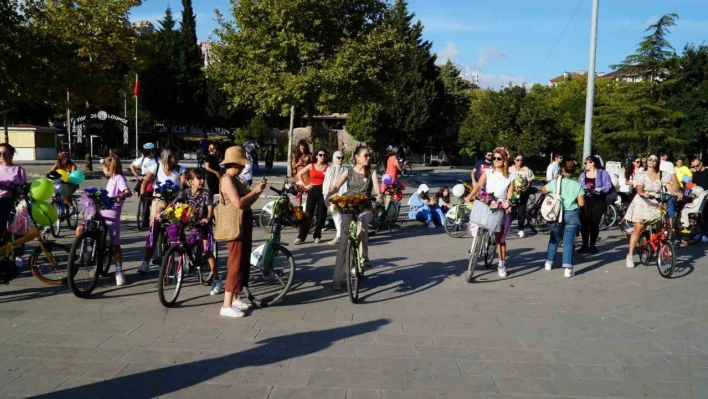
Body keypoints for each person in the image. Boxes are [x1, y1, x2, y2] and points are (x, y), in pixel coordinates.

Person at [219, 146, 267, 317]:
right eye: (241, 164)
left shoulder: (235, 178)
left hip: (242, 223)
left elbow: (247, 201)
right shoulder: (227, 179)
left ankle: (234, 298)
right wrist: (254, 191)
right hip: (234, 225)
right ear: (235, 163)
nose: (243, 167)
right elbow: (238, 203)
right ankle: (226, 305)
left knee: (242, 261)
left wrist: (257, 191)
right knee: (235, 262)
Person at [327, 145, 382, 289]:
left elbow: (376, 186)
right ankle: (338, 279)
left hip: (365, 207)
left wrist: (379, 195)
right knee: (343, 242)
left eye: (369, 156)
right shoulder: (348, 172)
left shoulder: (371, 171)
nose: (368, 158)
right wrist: (329, 194)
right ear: (357, 158)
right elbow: (336, 186)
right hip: (349, 206)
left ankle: (364, 256)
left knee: (362, 221)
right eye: (366, 155)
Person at [77, 156, 131, 285]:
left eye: (103, 167)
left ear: (108, 167)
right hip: (101, 211)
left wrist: (120, 196)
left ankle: (119, 271)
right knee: (81, 228)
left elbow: (128, 192)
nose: (103, 170)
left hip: (112, 214)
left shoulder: (118, 178)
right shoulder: (111, 179)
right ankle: (84, 253)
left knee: (115, 244)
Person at [626, 154, 681, 267]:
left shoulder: (662, 174)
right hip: (642, 202)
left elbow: (668, 186)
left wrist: (676, 193)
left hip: (656, 202)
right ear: (646, 161)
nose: (652, 161)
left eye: (655, 160)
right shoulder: (641, 174)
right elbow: (639, 188)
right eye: (650, 159)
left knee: (662, 224)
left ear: (657, 162)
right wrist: (642, 193)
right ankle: (630, 255)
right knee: (638, 229)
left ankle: (659, 246)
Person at [468, 147, 515, 278]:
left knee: (500, 239)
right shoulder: (488, 172)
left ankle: (501, 264)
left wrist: (508, 203)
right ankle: (476, 248)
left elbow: (510, 194)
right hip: (486, 202)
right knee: (479, 223)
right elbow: (478, 186)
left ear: (505, 160)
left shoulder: (510, 177)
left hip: (500, 206)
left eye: (498, 158)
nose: (495, 160)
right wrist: (470, 196)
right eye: (494, 158)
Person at [138, 147, 187, 273]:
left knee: (175, 229)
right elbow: (146, 181)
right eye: (175, 157)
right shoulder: (157, 167)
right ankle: (145, 262)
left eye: (178, 157)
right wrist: (143, 194)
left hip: (174, 200)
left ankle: (179, 258)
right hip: (158, 198)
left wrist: (183, 186)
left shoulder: (180, 169)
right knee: (153, 229)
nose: (177, 160)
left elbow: (183, 181)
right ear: (167, 157)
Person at [172, 168, 221, 295]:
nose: (202, 181)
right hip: (188, 224)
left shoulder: (206, 193)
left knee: (207, 250)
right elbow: (173, 204)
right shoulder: (184, 193)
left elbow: (210, 209)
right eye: (199, 178)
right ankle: (185, 262)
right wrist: (163, 213)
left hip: (203, 224)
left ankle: (216, 279)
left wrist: (208, 218)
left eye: (203, 178)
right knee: (177, 239)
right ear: (190, 181)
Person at [542, 158, 585, 278]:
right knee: (569, 242)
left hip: (555, 214)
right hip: (571, 214)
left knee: (554, 238)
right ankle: (567, 268)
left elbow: (543, 190)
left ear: (562, 169)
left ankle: (548, 263)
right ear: (574, 170)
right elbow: (581, 204)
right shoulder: (577, 185)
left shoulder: (555, 182)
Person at [577, 155, 612, 254]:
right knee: (584, 223)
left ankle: (592, 245)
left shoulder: (603, 173)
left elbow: (608, 185)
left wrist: (600, 189)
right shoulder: (583, 175)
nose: (584, 165)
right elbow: (578, 186)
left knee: (594, 223)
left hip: (599, 200)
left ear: (592, 163)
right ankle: (584, 245)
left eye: (586, 163)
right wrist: (584, 188)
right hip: (586, 199)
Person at [0, 144, 27, 266]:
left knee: (18, 228)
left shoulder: (19, 170)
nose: (2, 156)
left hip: (14, 202)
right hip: (1, 202)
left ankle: (18, 254)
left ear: (11, 154)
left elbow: (23, 188)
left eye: (5, 153)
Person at [295, 150, 329, 244]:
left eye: (324, 155)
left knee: (321, 214)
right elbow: (299, 174)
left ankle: (317, 235)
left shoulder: (328, 167)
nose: (322, 156)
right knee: (308, 214)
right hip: (312, 190)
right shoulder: (311, 166)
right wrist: (305, 185)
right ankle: (301, 237)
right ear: (316, 156)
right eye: (320, 155)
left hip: (323, 191)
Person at [323, 150, 348, 245]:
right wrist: (326, 195)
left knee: (340, 217)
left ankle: (339, 235)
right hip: (331, 195)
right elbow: (326, 184)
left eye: (342, 158)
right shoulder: (330, 169)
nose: (340, 160)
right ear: (334, 158)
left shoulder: (345, 170)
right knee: (336, 216)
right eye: (338, 157)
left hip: (341, 195)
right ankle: (340, 235)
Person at [508, 154, 535, 238]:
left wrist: (526, 188)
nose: (519, 162)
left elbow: (529, 181)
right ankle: (507, 227)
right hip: (513, 193)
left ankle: (521, 229)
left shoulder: (526, 169)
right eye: (518, 160)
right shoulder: (510, 169)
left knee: (521, 211)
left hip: (523, 192)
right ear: (514, 160)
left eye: (521, 160)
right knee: (511, 211)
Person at [658, 151, 684, 238]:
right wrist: (678, 191)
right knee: (667, 213)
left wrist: (689, 186)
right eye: (678, 161)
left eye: (681, 161)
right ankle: (668, 235)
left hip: (677, 188)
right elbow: (673, 179)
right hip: (670, 191)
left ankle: (668, 234)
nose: (679, 162)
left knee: (666, 213)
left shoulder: (685, 169)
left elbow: (689, 179)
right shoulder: (670, 166)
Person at [689, 157, 708, 242]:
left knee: (706, 215)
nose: (695, 168)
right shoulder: (695, 174)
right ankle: (701, 234)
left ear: (701, 163)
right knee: (699, 216)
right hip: (699, 198)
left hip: (707, 196)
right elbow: (694, 185)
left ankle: (706, 234)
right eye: (693, 166)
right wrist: (692, 193)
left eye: (696, 166)